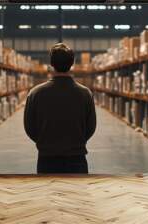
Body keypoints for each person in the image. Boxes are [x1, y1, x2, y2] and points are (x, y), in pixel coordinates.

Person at [24, 43, 97, 174]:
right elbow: (91, 127)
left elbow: (29, 127)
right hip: (77, 158)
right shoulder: (85, 93)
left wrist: (46, 142)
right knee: (78, 193)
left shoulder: (35, 93)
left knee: (48, 193)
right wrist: (76, 141)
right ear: (72, 63)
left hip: (47, 158)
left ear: (51, 63)